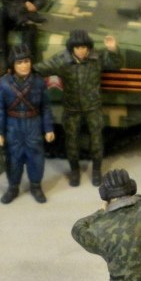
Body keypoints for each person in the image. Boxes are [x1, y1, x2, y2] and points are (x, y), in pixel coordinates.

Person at [34, 30, 122, 187]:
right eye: (77, 48)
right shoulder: (62, 60)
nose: (81, 51)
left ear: (88, 47)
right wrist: (19, 69)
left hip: (93, 107)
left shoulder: (97, 58)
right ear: (72, 48)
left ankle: (96, 170)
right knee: (71, 142)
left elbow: (116, 64)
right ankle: (74, 170)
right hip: (72, 109)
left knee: (96, 140)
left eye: (84, 47)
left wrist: (113, 49)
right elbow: (40, 69)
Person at [0, 44, 55, 204]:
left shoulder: (39, 82)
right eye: (19, 62)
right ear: (13, 65)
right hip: (13, 126)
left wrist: (48, 128)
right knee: (13, 158)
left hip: (33, 124)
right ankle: (13, 187)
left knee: (36, 158)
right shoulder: (3, 84)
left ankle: (36, 186)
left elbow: (45, 107)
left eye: (26, 61)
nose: (24, 65)